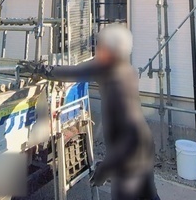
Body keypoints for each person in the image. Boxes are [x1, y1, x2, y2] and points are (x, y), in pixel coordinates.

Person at [20, 24, 160, 200]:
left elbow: (70, 72)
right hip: (144, 144)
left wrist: (39, 70)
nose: (96, 50)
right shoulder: (126, 68)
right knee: (149, 195)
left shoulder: (105, 69)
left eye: (99, 45)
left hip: (128, 152)